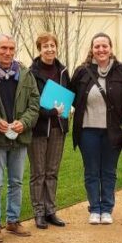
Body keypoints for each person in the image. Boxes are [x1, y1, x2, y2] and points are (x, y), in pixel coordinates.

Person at [69, 33, 122, 225]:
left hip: (112, 131)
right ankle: (94, 209)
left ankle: (106, 208)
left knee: (108, 171)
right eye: (97, 46)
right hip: (87, 131)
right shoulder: (82, 72)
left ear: (111, 48)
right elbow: (70, 96)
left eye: (104, 46)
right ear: (92, 49)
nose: (101, 50)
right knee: (91, 171)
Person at [0, 33, 39, 243]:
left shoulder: (25, 73)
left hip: (19, 137)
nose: (7, 52)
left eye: (11, 49)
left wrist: (24, 122)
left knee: (16, 181)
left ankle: (13, 220)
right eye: (3, 48)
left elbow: (35, 103)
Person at [27, 32, 70, 229]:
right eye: (45, 46)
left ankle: (50, 210)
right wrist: (51, 111)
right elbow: (31, 104)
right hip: (38, 129)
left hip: (58, 128)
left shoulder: (63, 71)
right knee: (38, 173)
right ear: (39, 49)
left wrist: (68, 108)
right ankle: (38, 213)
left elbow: (68, 96)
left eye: (52, 45)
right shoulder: (31, 73)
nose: (50, 49)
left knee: (52, 171)